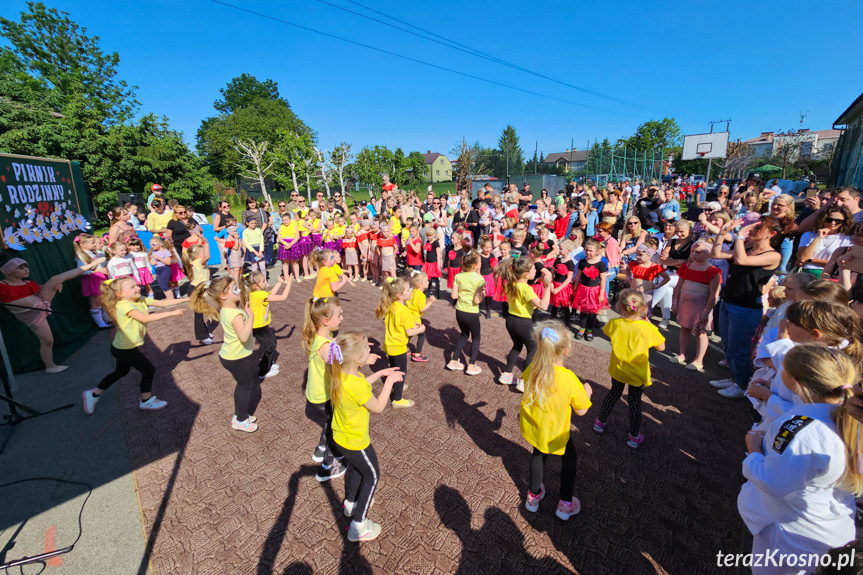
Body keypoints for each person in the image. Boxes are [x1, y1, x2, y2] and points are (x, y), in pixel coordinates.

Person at [738, 344, 861, 575]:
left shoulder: (799, 428)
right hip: (832, 529)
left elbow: (775, 483)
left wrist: (754, 451)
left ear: (794, 382)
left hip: (790, 537)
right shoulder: (852, 422)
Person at [326, 330, 404, 542]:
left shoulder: (341, 373)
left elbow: (359, 388)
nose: (371, 350)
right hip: (356, 441)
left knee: (358, 470)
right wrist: (389, 383)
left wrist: (378, 375)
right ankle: (358, 525)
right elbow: (378, 407)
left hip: (341, 437)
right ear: (355, 358)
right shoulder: (356, 383)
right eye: (367, 349)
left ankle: (350, 504)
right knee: (372, 475)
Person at [519, 321, 592, 520]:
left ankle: (533, 497)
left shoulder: (533, 369)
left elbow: (526, 385)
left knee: (538, 454)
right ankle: (565, 504)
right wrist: (587, 391)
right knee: (570, 460)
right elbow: (582, 410)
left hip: (538, 426)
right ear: (566, 351)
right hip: (558, 430)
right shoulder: (569, 379)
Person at [82, 277, 187, 414]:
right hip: (124, 349)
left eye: (136, 285)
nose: (137, 288)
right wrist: (172, 313)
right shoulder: (124, 305)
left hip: (124, 347)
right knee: (149, 370)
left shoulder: (139, 299)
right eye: (132, 287)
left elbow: (162, 304)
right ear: (120, 294)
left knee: (120, 372)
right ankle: (146, 401)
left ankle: (93, 394)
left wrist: (187, 299)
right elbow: (144, 318)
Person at [710, 216, 785, 399]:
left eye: (758, 228)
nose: (752, 230)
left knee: (739, 349)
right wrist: (722, 233)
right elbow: (716, 254)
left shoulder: (773, 255)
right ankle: (735, 378)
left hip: (746, 307)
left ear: (772, 234)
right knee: (728, 345)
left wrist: (740, 236)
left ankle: (742, 384)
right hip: (728, 302)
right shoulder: (747, 248)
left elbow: (741, 261)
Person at [0, 256, 105, 373]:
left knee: (56, 279)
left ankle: (90, 265)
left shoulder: (28, 283)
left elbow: (42, 288)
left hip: (42, 305)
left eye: (26, 267)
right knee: (48, 341)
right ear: (8, 271)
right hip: (33, 318)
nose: (26, 270)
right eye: (20, 268)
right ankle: (50, 366)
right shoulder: (2, 286)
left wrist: (55, 287)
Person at [593, 290, 666, 449]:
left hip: (619, 368)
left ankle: (600, 422)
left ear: (620, 306)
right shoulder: (647, 329)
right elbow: (661, 347)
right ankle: (633, 436)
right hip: (637, 372)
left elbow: (608, 333)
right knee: (634, 402)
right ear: (643, 308)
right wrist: (650, 326)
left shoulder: (614, 324)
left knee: (613, 393)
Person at [190, 277, 258, 432]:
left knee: (242, 386)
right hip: (236, 358)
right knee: (246, 386)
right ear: (223, 295)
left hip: (231, 355)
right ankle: (240, 420)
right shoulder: (235, 314)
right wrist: (251, 317)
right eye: (235, 288)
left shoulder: (228, 309)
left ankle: (240, 414)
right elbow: (243, 336)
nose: (239, 290)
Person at [301, 296, 349, 481]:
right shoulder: (326, 346)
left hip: (316, 394)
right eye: (339, 315)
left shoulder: (320, 336)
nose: (342, 318)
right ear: (326, 321)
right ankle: (328, 466)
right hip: (325, 396)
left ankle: (320, 450)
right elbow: (339, 368)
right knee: (335, 427)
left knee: (329, 422)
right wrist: (358, 359)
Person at [498, 257, 552, 390]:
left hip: (510, 321)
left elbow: (523, 301)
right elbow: (543, 306)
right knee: (532, 350)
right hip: (523, 323)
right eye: (534, 269)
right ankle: (524, 381)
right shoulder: (526, 289)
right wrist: (547, 287)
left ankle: (507, 375)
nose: (536, 271)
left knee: (517, 345)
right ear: (526, 274)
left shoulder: (510, 283)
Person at [669, 240, 721, 371]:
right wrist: (675, 302)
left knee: (700, 332)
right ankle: (682, 354)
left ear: (707, 253)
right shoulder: (686, 267)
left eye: (698, 252)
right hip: (685, 304)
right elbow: (679, 285)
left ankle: (699, 360)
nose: (693, 254)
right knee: (684, 327)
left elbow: (714, 294)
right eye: (692, 251)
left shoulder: (713, 271)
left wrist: (706, 311)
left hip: (701, 306)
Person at [375, 277, 422, 408]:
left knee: (393, 367)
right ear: (399, 295)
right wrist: (421, 328)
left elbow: (399, 323)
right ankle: (397, 399)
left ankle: (394, 385)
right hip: (399, 346)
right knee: (401, 371)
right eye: (408, 290)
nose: (410, 291)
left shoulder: (391, 305)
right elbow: (410, 332)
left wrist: (413, 324)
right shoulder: (404, 310)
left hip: (389, 344)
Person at [244, 271, 291, 379]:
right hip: (258, 326)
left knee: (271, 345)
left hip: (258, 325)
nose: (266, 282)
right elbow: (283, 297)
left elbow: (270, 295)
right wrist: (289, 282)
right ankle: (263, 371)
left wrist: (279, 283)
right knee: (271, 346)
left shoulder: (255, 293)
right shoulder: (259, 295)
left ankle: (267, 364)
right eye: (263, 281)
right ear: (256, 285)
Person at [447, 250, 485, 375]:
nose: (481, 263)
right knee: (476, 337)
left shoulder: (458, 276)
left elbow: (453, 295)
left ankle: (453, 361)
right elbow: (477, 300)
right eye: (479, 262)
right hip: (472, 312)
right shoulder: (479, 279)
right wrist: (483, 294)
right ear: (474, 265)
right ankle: (471, 365)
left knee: (464, 334)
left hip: (459, 311)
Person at [796, 205, 853, 278]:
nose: (833, 223)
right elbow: (802, 258)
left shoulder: (847, 239)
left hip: (827, 274)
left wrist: (811, 261)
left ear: (844, 222)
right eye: (829, 220)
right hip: (804, 272)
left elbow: (839, 263)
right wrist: (818, 238)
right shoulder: (809, 235)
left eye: (838, 221)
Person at [571, 238, 608, 341]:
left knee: (592, 311)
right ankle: (582, 329)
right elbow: (578, 276)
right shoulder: (583, 262)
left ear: (597, 251)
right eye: (586, 250)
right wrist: (575, 288)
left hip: (594, 290)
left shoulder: (601, 264)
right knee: (583, 310)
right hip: (583, 289)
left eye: (590, 250)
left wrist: (601, 294)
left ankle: (590, 330)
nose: (588, 252)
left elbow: (603, 279)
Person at [74, 233, 112, 327]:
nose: (94, 244)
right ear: (83, 245)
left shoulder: (92, 252)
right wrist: (98, 270)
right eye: (92, 243)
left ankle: (103, 320)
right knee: (94, 302)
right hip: (92, 280)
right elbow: (82, 271)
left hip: (98, 278)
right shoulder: (81, 255)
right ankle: (100, 324)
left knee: (99, 301)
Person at [406, 271, 435, 363]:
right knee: (422, 334)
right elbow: (422, 309)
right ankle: (417, 354)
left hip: (409, 316)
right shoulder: (421, 295)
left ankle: (404, 347)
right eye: (426, 281)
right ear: (419, 285)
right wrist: (430, 301)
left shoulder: (413, 291)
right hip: (415, 318)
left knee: (410, 333)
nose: (428, 282)